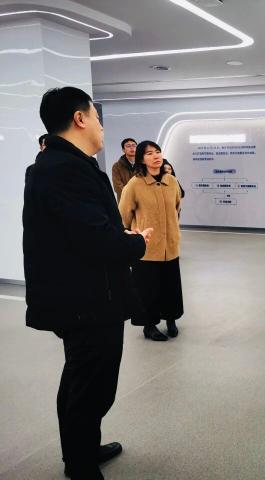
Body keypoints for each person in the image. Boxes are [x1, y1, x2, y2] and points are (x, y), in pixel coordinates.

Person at [23, 87, 152, 479]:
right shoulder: (65, 170)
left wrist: (117, 237)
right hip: (87, 300)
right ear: (79, 119)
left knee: (82, 379)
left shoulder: (64, 165)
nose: (101, 125)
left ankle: (82, 450)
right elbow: (94, 239)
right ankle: (80, 465)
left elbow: (82, 230)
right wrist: (135, 243)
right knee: (91, 385)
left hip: (84, 295)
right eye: (97, 117)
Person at [119, 141, 184, 341]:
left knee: (171, 286)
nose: (156, 156)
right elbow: (124, 215)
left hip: (170, 245)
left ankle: (171, 319)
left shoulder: (171, 181)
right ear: (141, 159)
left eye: (158, 152)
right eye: (149, 153)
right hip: (147, 248)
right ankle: (149, 325)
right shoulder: (135, 184)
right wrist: (131, 235)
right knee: (148, 289)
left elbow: (177, 207)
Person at [112, 138, 137, 202]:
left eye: (134, 145)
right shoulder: (116, 166)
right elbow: (117, 186)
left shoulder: (144, 164)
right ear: (123, 150)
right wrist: (131, 196)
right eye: (128, 146)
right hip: (125, 202)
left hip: (142, 201)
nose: (132, 148)